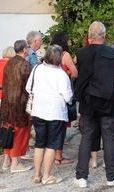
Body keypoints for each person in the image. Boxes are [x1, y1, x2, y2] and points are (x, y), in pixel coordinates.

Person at [74, 21, 114, 188]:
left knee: (86, 137)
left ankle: (81, 177)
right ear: (104, 35)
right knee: (108, 137)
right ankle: (111, 177)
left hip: (88, 101)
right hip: (107, 100)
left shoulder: (80, 54)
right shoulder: (113, 53)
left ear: (89, 37)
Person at [26, 45, 73, 185]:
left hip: (38, 111)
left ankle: (36, 174)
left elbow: (29, 88)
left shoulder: (37, 69)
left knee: (39, 143)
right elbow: (68, 97)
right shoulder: (61, 75)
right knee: (52, 145)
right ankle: (46, 176)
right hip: (55, 113)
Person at [0, 40, 32, 173]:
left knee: (8, 131)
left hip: (7, 102)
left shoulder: (9, 63)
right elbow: (30, 85)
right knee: (20, 133)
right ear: (24, 50)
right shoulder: (25, 64)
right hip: (20, 103)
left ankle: (7, 160)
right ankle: (15, 163)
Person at [50, 32, 78, 165]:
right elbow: (74, 73)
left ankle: (51, 153)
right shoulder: (65, 55)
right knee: (62, 126)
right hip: (62, 93)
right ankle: (58, 155)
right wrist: (67, 72)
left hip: (50, 93)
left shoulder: (48, 54)